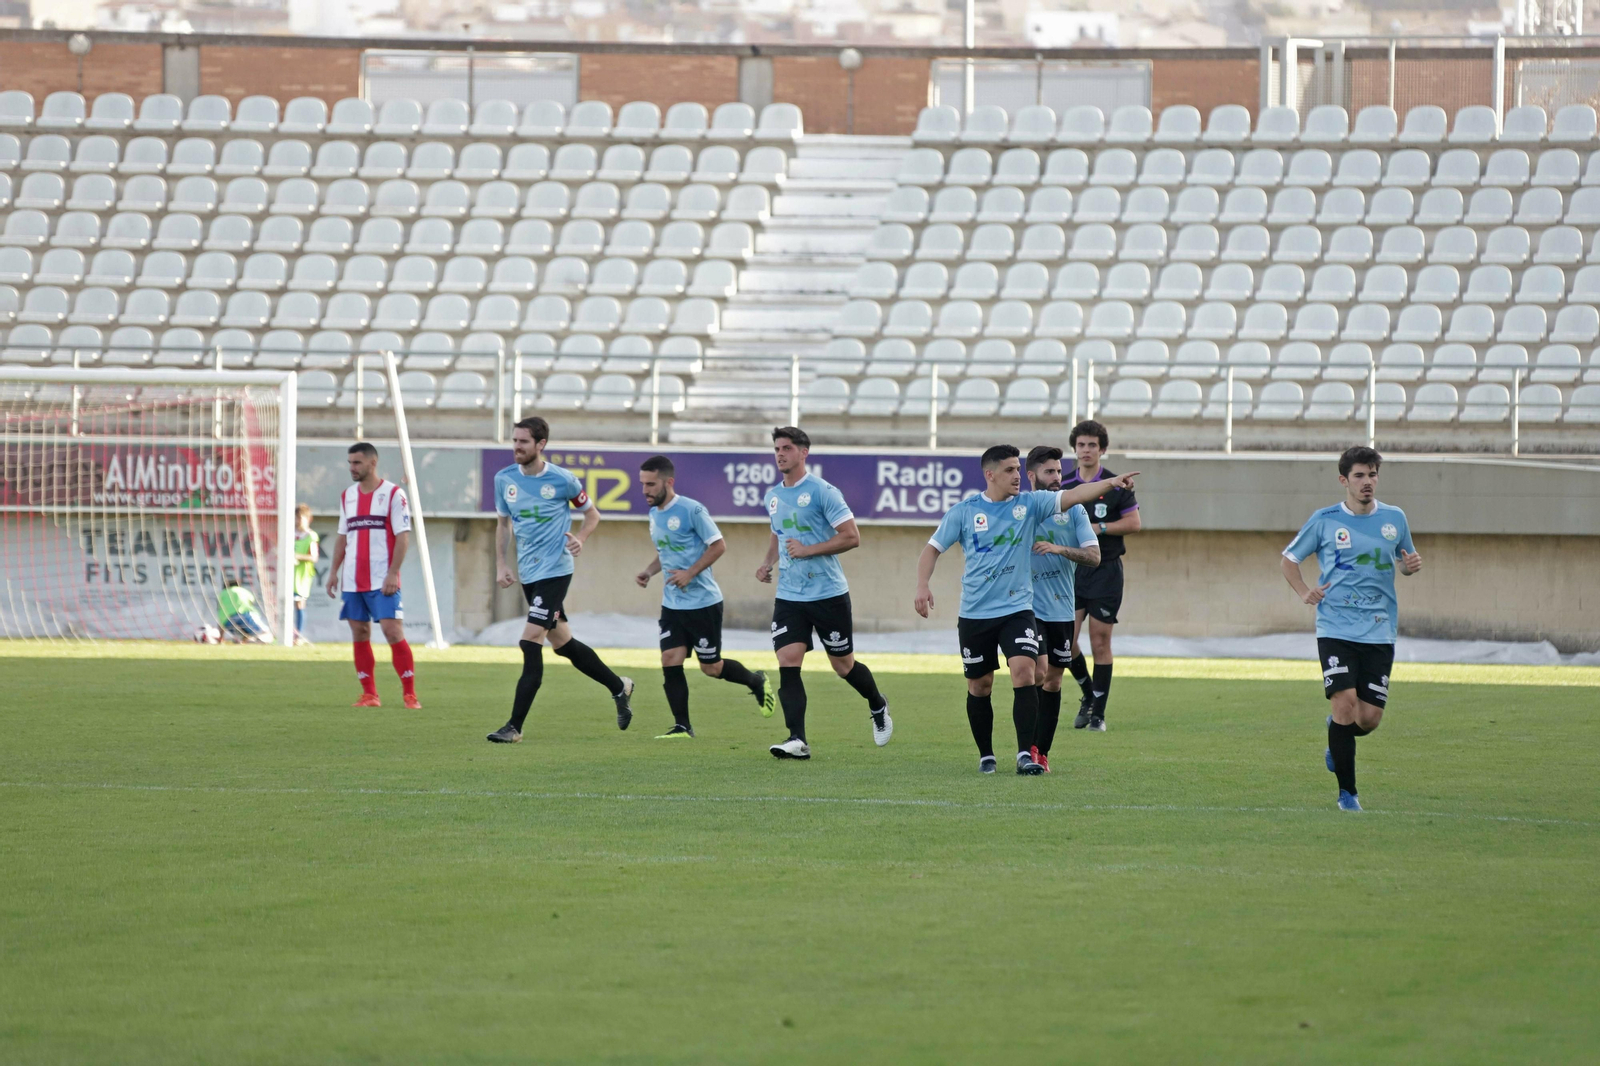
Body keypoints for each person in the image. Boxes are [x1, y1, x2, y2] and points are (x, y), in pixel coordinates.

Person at [914, 445, 1135, 775]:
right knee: (980, 685)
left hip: (1019, 609)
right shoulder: (965, 511)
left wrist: (1111, 482)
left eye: (1018, 469)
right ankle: (986, 755)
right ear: (990, 475)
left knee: (1027, 673)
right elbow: (932, 549)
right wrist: (922, 585)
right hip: (975, 612)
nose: (1017, 475)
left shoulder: (1030, 504)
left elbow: (1076, 495)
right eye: (1009, 470)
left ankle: (1025, 755)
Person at [1280, 446, 1422, 812]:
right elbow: (1289, 560)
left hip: (1379, 630)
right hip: (1336, 627)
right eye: (1359, 476)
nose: (1367, 482)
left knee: (1369, 718)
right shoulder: (1325, 520)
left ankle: (1336, 734)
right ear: (1344, 480)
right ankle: (1348, 795)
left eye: (1372, 474)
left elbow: (1403, 562)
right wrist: (1304, 592)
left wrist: (1409, 566)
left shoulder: (1395, 518)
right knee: (1344, 704)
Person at [485, 417, 634, 744]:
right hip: (529, 573)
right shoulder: (503, 479)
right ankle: (618, 687)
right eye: (514, 441)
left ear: (541, 445)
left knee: (530, 640)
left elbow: (592, 514)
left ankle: (514, 727)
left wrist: (580, 537)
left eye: (523, 442)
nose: (517, 447)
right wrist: (500, 564)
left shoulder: (563, 480)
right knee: (562, 643)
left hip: (556, 569)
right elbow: (502, 525)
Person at [757, 426, 891, 760]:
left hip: (828, 593)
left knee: (843, 666)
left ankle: (877, 704)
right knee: (788, 660)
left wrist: (808, 550)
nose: (780, 454)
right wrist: (767, 562)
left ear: (804, 453)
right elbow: (778, 532)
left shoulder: (823, 492)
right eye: (776, 449)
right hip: (789, 595)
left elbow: (851, 536)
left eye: (786, 448)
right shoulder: (772, 496)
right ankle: (797, 739)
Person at [635, 455, 775, 739]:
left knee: (711, 667)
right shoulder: (654, 515)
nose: (645, 490)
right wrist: (649, 572)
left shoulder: (691, 510)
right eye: (642, 484)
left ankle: (756, 680)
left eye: (651, 484)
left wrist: (690, 573)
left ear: (669, 482)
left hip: (703, 604)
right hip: (672, 604)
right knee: (669, 658)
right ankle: (682, 726)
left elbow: (718, 545)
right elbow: (666, 552)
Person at [324, 442, 421, 710]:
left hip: (382, 579)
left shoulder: (393, 494)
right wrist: (333, 571)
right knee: (360, 632)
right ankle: (370, 694)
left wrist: (393, 573)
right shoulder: (347, 496)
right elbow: (343, 537)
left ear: (372, 463)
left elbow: (403, 537)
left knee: (392, 631)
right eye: (350, 463)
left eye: (357, 462)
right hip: (353, 580)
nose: (352, 468)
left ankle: (409, 694)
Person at [1023, 446, 1101, 772]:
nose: (1057, 478)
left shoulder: (1075, 512)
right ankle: (1025, 750)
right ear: (1031, 476)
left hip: (1061, 609)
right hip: (1024, 608)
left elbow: (1094, 557)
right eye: (1049, 472)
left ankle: (1041, 752)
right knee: (1036, 672)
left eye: (1058, 472)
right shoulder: (1018, 508)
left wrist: (1059, 549)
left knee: (1053, 680)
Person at [1062, 419, 1141, 733]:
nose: (1086, 450)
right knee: (1065, 642)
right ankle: (1087, 692)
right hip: (1072, 570)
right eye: (1081, 445)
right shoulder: (1065, 484)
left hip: (1106, 570)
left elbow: (1134, 523)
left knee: (1100, 641)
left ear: (1102, 449)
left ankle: (1098, 715)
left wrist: (1100, 528)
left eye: (1092, 445)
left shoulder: (1116, 484)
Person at [292, 503, 319, 645]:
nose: (297, 521)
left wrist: (296, 556)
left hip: (301, 576)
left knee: (299, 604)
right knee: (284, 603)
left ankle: (298, 636)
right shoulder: (290, 534)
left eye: (300, 518)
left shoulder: (311, 536)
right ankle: (286, 634)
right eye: (295, 518)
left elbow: (313, 557)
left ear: (308, 519)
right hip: (289, 575)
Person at [216, 578, 272, 643]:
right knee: (262, 633)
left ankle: (242, 640)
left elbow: (220, 610)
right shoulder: (242, 590)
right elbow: (251, 601)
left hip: (227, 620)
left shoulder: (222, 593)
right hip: (244, 614)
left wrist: (221, 636)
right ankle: (259, 640)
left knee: (240, 636)